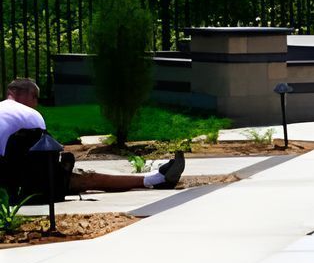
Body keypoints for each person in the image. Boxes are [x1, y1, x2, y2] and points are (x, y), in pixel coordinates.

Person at [1, 78, 185, 194]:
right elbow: (46, 154)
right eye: (36, 99)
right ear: (32, 96)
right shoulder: (30, 115)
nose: (36, 104)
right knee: (88, 178)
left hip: (9, 173)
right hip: (16, 180)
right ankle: (156, 179)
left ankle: (153, 178)